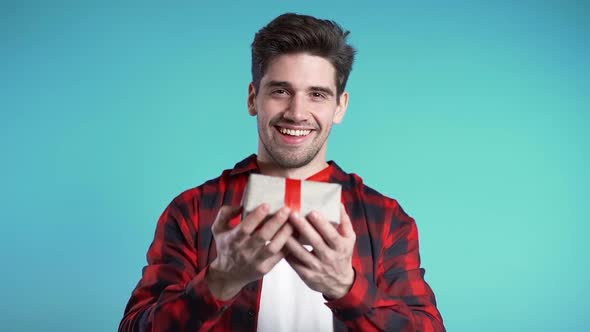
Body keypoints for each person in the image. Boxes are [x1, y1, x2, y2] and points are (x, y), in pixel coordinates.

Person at [119, 13, 445, 332]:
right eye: (280, 91)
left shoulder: (386, 219)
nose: (297, 112)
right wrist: (219, 281)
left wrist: (347, 288)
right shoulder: (192, 210)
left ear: (340, 106)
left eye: (317, 94)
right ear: (252, 98)